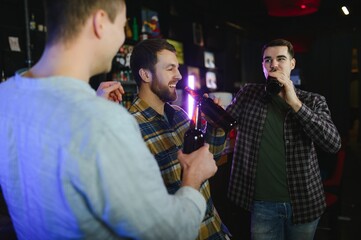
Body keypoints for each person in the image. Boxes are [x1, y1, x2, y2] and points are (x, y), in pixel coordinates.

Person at [0, 0, 219, 239]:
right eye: (122, 26)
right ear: (100, 22)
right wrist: (193, 178)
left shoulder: (6, 98)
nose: (121, 39)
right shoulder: (106, 121)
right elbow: (166, 232)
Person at [226, 38, 341, 240]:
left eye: (280, 59)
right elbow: (224, 125)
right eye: (267, 60)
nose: (274, 65)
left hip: (304, 202)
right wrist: (212, 114)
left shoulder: (312, 100)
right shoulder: (248, 93)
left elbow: (333, 144)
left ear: (292, 63)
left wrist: (295, 104)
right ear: (263, 66)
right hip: (262, 204)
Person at [128, 38, 231, 240]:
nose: (179, 75)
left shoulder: (179, 114)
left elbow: (208, 162)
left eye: (177, 67)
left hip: (214, 229)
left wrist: (214, 126)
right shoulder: (128, 128)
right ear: (145, 74)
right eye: (170, 69)